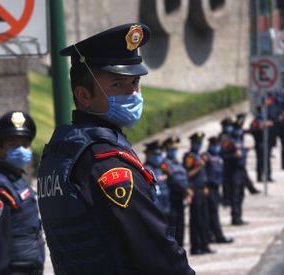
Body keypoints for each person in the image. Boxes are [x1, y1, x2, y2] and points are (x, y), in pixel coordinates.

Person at [37, 23, 194, 274]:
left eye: (135, 82)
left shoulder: (61, 153)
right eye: (117, 85)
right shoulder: (107, 164)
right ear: (83, 95)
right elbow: (158, 253)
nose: (132, 93)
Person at [0, 111, 45, 275]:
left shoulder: (18, 180)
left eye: (25, 144)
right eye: (13, 145)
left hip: (30, 266)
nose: (21, 150)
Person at [183, 132, 214, 255]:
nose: (199, 145)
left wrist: (205, 186)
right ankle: (196, 246)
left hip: (202, 189)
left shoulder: (199, 156)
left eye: (200, 143)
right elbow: (188, 174)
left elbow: (203, 175)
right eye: (197, 143)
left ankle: (205, 244)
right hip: (194, 190)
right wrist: (199, 167)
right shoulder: (189, 157)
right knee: (196, 219)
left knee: (204, 218)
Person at [160, 136, 193, 247]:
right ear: (167, 150)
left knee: (180, 228)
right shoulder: (164, 164)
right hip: (171, 200)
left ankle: (180, 250)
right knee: (172, 229)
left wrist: (187, 192)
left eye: (175, 149)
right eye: (172, 149)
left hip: (180, 200)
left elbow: (184, 179)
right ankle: (172, 251)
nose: (174, 151)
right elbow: (173, 180)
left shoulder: (177, 163)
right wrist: (186, 191)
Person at [201, 137, 233, 244]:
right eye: (214, 144)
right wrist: (204, 185)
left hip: (216, 187)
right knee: (213, 213)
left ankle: (211, 235)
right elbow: (202, 171)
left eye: (218, 145)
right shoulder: (206, 156)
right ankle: (219, 236)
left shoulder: (218, 156)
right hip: (209, 187)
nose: (216, 147)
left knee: (212, 212)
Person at [143, 140, 171, 219]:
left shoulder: (161, 168)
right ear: (148, 154)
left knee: (171, 230)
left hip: (167, 209)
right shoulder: (145, 170)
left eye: (160, 154)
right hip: (156, 213)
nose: (158, 157)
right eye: (155, 154)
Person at [249, 106, 275, 182]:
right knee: (260, 161)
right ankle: (259, 176)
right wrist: (260, 127)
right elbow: (252, 130)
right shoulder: (256, 121)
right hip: (259, 142)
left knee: (267, 160)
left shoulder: (267, 119)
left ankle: (268, 176)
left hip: (267, 142)